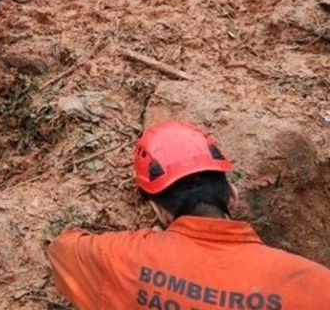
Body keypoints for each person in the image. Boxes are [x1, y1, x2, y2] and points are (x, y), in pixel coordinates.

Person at [47, 120, 330, 309]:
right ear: (232, 195)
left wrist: (149, 244)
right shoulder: (315, 283)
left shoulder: (117, 259)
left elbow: (62, 251)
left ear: (159, 210)